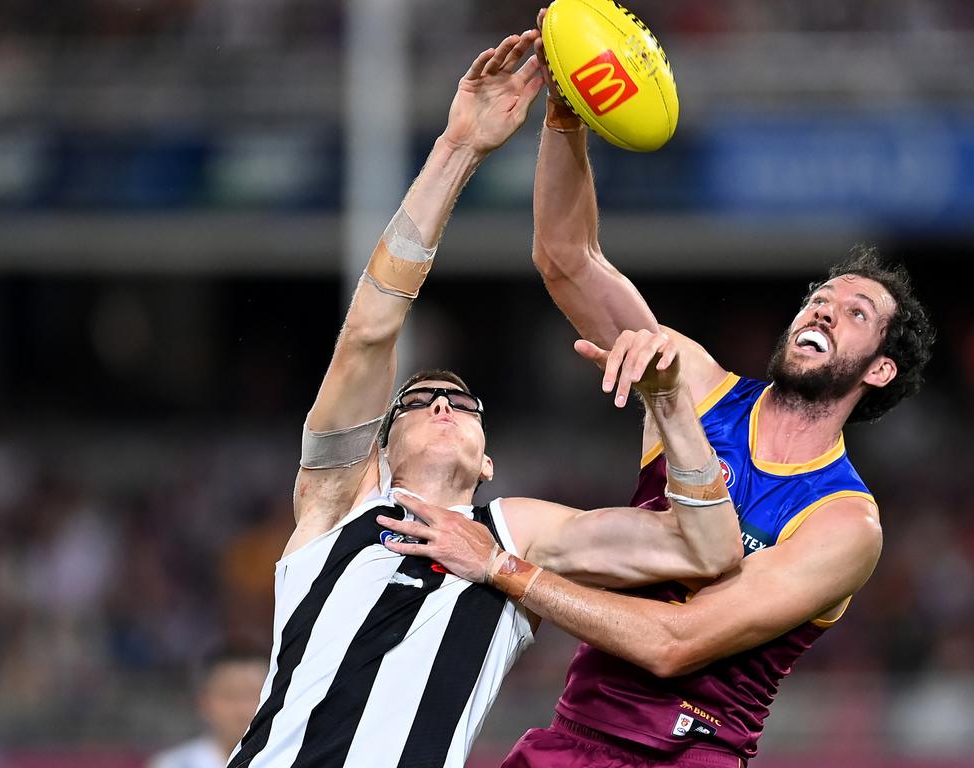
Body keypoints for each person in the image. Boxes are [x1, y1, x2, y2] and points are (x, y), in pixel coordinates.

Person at [376, 12, 937, 767]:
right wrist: (567, 115)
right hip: (570, 739)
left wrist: (501, 566)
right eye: (820, 297)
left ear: (879, 370)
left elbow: (676, 645)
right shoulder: (696, 382)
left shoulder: (843, 522)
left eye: (854, 313)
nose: (823, 310)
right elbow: (567, 258)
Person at [225, 31, 743, 768]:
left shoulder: (516, 535)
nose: (441, 405)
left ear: (489, 459)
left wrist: (670, 408)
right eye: (419, 400)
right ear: (380, 448)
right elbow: (374, 326)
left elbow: (710, 550)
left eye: (461, 403)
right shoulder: (337, 503)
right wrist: (459, 146)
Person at [148, 645, 269, 768]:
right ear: (204, 702)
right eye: (231, 695)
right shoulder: (172, 764)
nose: (244, 710)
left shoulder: (285, 760)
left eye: (256, 695)